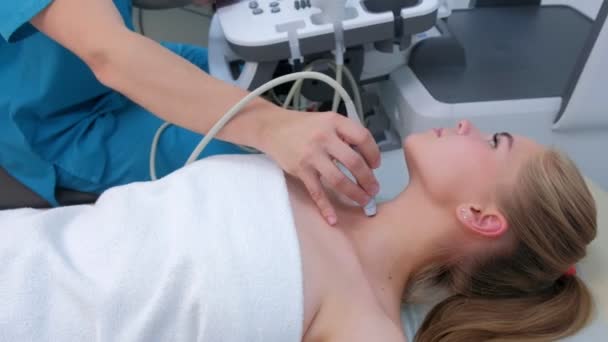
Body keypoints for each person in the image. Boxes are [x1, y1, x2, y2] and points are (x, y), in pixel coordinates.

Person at [0, 120, 597, 341]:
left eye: (496, 142)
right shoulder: (318, 169)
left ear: (481, 217)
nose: (468, 124)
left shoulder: (365, 326)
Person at [0, 0, 380, 225]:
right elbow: (108, 53)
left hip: (94, 72)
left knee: (260, 81)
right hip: (69, 126)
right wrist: (273, 128)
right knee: (265, 169)